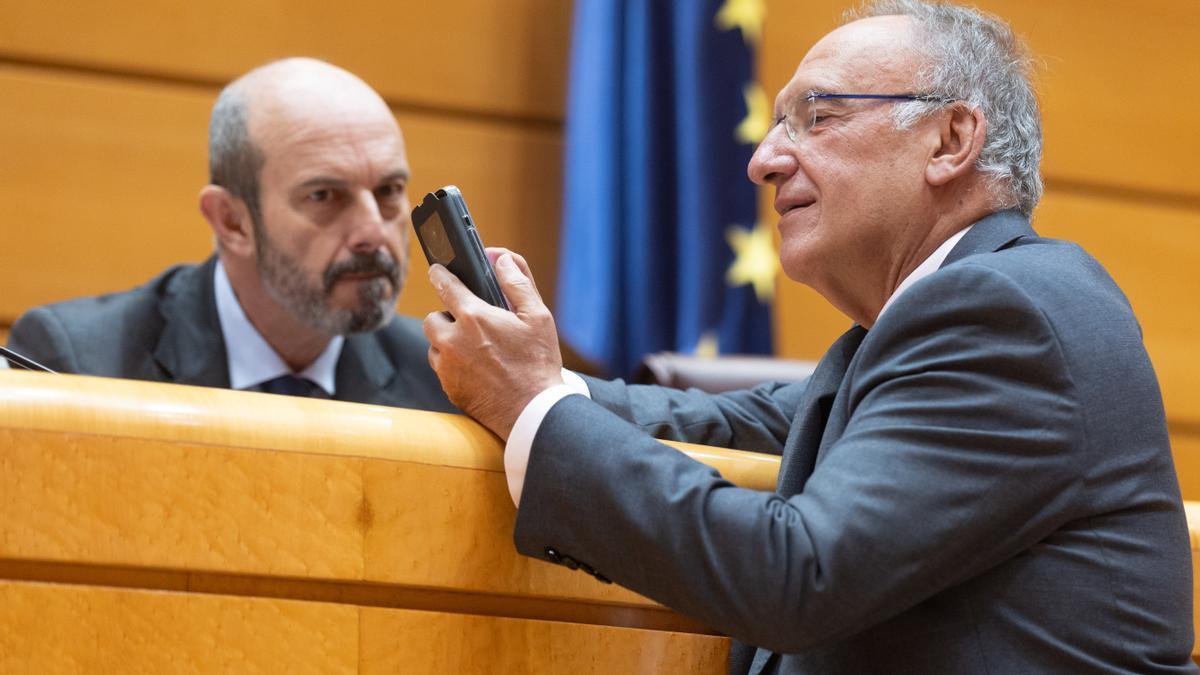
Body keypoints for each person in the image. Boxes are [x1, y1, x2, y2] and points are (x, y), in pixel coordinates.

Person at [421, 1, 1196, 673]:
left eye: (817, 117)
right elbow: (731, 427)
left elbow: (798, 573)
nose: (763, 160)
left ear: (952, 139)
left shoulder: (1007, 313)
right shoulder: (928, 323)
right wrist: (531, 379)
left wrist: (534, 410)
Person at [8, 58, 456, 411]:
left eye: (388, 192)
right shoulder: (77, 367)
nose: (373, 231)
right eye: (324, 195)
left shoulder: (448, 380)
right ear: (232, 221)